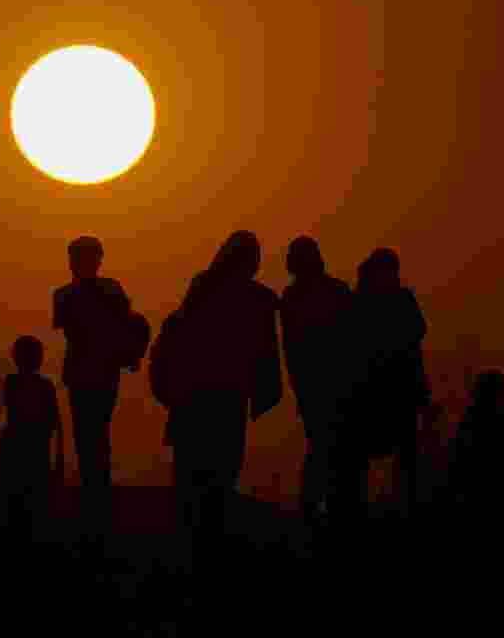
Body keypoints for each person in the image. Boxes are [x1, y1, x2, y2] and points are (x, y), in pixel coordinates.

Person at [163, 231, 283, 583]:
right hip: (221, 399)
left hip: (198, 401)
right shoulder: (254, 298)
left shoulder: (205, 287)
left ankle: (196, 554)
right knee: (218, 474)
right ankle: (206, 555)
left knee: (198, 478)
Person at [334, 247, 430, 523]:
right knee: (403, 455)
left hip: (374, 391)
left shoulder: (360, 302)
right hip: (390, 390)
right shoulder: (399, 300)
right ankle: (405, 510)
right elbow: (416, 336)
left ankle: (358, 513)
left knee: (364, 456)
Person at [53, 236, 132, 545]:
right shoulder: (108, 291)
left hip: (92, 370)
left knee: (90, 433)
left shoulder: (65, 295)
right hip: (96, 369)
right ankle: (96, 496)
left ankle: (94, 496)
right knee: (95, 433)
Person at [279, 236, 354, 524]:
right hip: (335, 385)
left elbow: (293, 351)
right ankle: (331, 509)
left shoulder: (292, 299)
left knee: (321, 446)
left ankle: (314, 509)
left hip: (314, 385)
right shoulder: (337, 292)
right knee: (333, 447)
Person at [1, 336, 64, 545]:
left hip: (17, 445)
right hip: (37, 446)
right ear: (39, 358)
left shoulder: (10, 383)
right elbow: (55, 421)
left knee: (17, 492)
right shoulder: (45, 386)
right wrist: (59, 452)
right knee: (36, 493)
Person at [447, 369, 504, 518]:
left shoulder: (470, 418)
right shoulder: (503, 417)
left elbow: (458, 455)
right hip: (494, 486)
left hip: (474, 488)